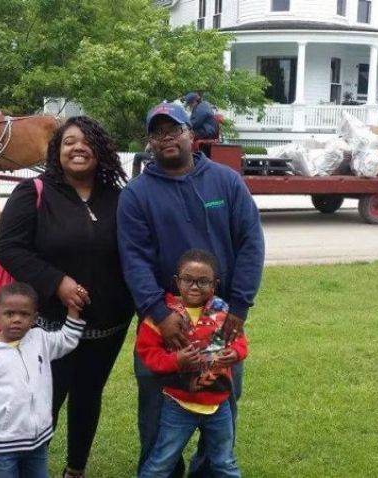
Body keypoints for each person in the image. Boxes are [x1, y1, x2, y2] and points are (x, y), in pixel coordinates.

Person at [118, 102, 265, 477]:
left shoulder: (226, 182)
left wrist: (240, 306)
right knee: (157, 409)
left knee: (219, 403)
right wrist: (159, 313)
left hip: (220, 322)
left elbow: (250, 242)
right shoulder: (136, 195)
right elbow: (134, 259)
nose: (166, 139)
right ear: (150, 142)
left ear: (191, 135)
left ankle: (207, 470)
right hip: (163, 322)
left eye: (174, 130)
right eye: (157, 133)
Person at [0, 116, 135, 478]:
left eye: (87, 141)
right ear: (57, 150)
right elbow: (8, 247)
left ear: (101, 151)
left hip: (109, 324)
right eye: (69, 141)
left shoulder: (119, 198)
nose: (78, 147)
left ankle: (76, 469)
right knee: (45, 399)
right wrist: (57, 282)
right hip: (50, 325)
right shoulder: (34, 192)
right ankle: (31, 467)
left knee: (89, 395)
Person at [137, 249, 247, 478]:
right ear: (177, 281)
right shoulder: (163, 316)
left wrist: (234, 354)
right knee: (161, 463)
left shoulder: (222, 312)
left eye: (203, 281)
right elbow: (148, 355)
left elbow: (240, 341)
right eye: (188, 280)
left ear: (214, 284)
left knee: (225, 462)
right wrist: (175, 360)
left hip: (219, 406)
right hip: (178, 404)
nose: (195, 287)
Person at [0, 282, 86, 478]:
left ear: (35, 318)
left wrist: (73, 309)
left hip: (38, 445)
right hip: (2, 449)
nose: (17, 319)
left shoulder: (40, 340)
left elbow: (66, 340)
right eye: (9, 314)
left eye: (24, 314)